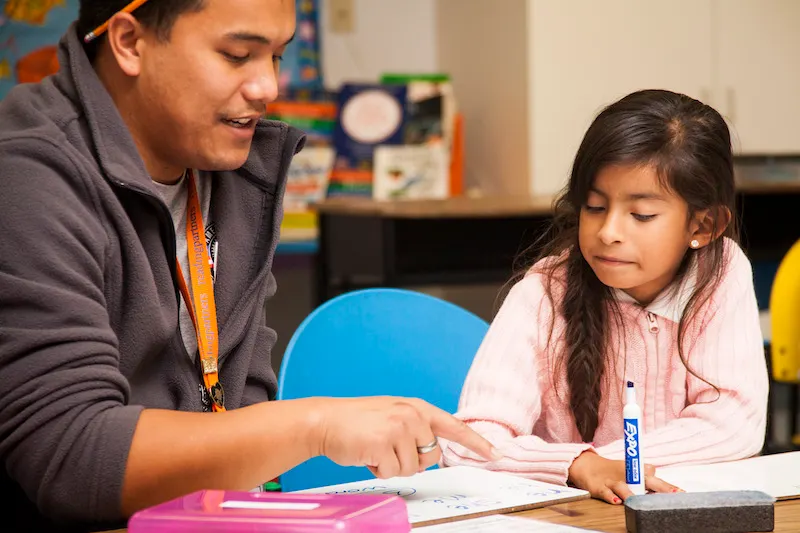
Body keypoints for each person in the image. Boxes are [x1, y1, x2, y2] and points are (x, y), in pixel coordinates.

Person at [0, 1, 498, 530]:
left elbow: (241, 398)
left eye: (278, 57)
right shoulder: (27, 176)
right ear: (129, 42)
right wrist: (316, 424)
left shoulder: (229, 163)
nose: (267, 88)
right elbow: (73, 458)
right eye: (238, 55)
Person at [441, 89, 769, 505]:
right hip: (566, 518)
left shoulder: (719, 274)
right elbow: (467, 443)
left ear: (703, 226)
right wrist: (578, 466)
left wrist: (606, 464)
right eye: (595, 207)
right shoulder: (544, 292)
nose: (609, 231)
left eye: (641, 215)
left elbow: (733, 425)